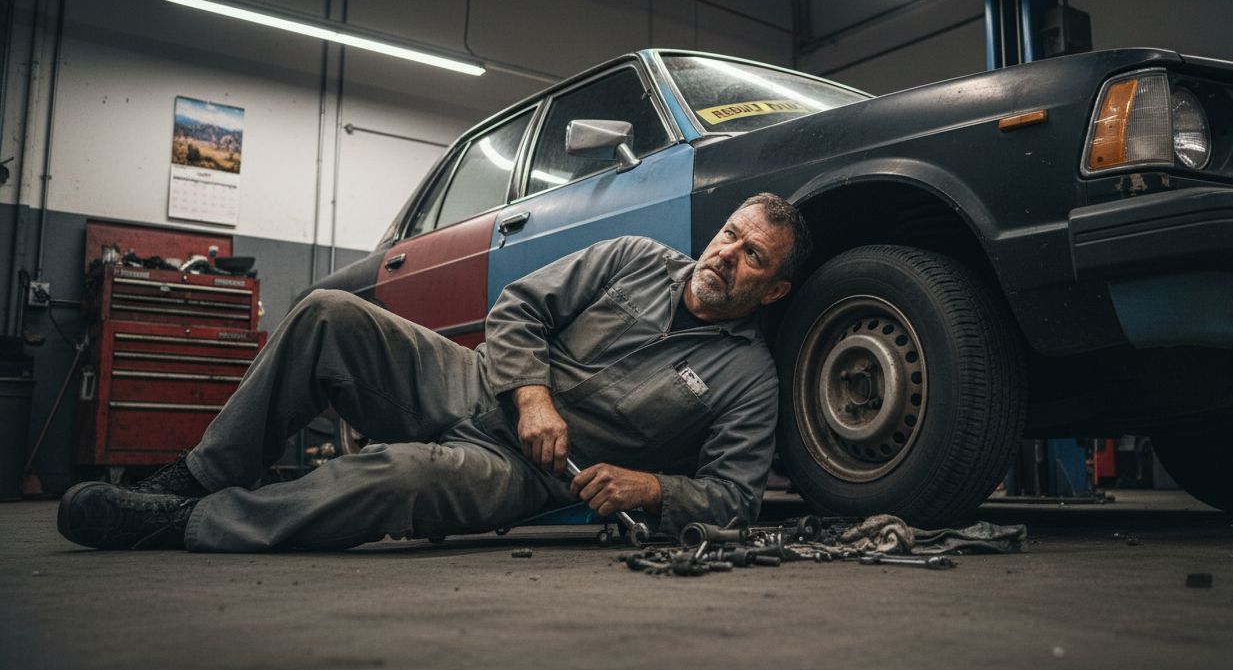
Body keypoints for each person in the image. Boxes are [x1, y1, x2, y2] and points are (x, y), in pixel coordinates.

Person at [58, 192, 811, 551]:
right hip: (474, 380)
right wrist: (534, 394)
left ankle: (189, 524)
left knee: (395, 479)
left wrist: (651, 488)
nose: (727, 256)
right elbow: (520, 308)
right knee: (328, 313)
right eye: (728, 235)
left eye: (753, 257)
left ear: (773, 289)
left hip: (529, 471)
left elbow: (733, 497)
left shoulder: (748, 378)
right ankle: (196, 475)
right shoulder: (634, 259)